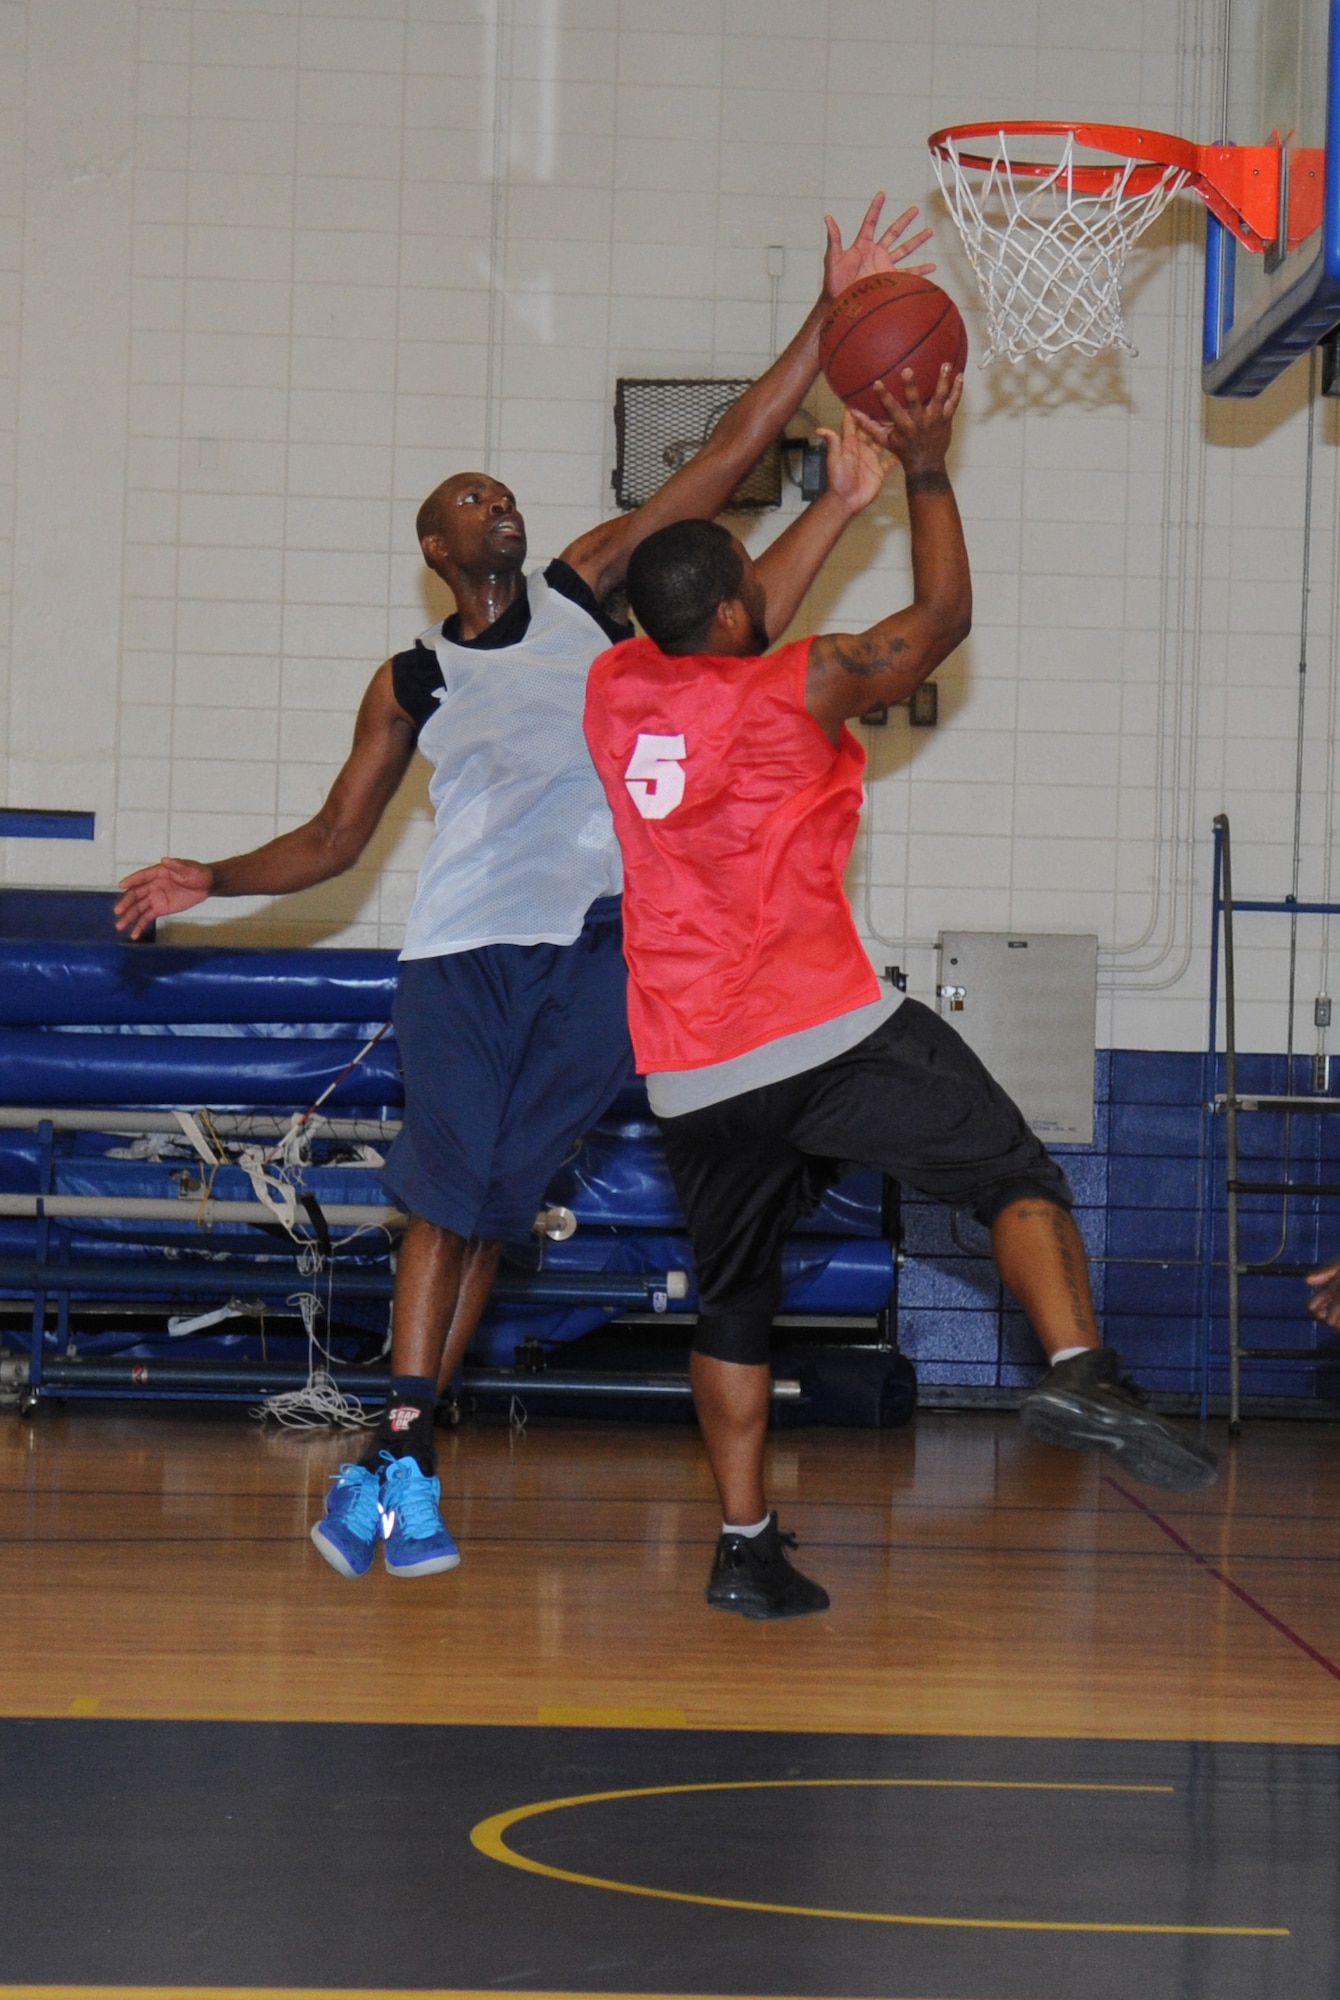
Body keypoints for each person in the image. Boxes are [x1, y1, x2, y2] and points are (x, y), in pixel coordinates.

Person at [113, 195, 935, 1583]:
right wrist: (213, 877)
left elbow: (733, 450)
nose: (503, 505)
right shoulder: (413, 679)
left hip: (605, 950)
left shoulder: (587, 591)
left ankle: (398, 1460)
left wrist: (829, 311)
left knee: (493, 1201)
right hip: (460, 954)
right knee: (452, 1200)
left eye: (505, 492)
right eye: (472, 501)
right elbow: (332, 839)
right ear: (438, 549)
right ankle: (408, 1452)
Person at [583, 368, 1219, 1623]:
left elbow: (728, 608)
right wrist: (923, 470)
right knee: (1012, 1175)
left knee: (733, 1301)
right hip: (821, 1029)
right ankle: (1083, 1366)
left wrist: (836, 501)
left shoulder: (616, 693)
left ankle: (743, 1542)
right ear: (732, 610)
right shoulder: (799, 682)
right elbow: (936, 622)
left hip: (689, 1068)